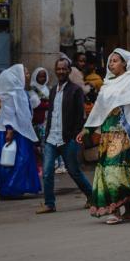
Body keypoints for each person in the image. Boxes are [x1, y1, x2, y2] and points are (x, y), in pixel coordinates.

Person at [78, 48, 130, 224]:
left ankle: (116, 210)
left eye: (115, 60)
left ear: (125, 63)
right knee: (110, 170)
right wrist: (87, 129)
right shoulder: (108, 84)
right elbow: (99, 110)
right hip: (107, 134)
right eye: (110, 61)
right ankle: (125, 209)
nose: (111, 64)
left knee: (118, 170)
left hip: (127, 133)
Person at [36, 57, 93, 214]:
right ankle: (49, 204)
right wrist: (47, 133)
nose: (61, 71)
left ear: (69, 70)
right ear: (55, 71)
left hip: (67, 139)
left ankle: (92, 196)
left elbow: (80, 116)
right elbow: (51, 113)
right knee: (47, 172)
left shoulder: (75, 90)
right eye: (58, 69)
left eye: (64, 68)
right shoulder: (53, 90)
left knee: (74, 171)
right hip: (51, 138)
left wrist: (74, 136)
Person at [0, 64, 41, 198]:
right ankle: (10, 189)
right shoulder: (12, 93)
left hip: (18, 131)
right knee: (14, 161)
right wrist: (9, 130)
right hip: (8, 131)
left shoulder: (20, 91)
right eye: (25, 73)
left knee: (19, 161)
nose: (28, 75)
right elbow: (9, 111)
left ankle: (15, 188)